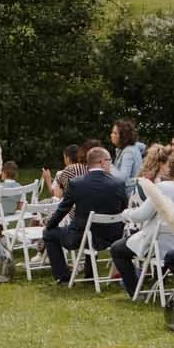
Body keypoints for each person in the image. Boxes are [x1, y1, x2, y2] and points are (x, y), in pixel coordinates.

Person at [42, 146, 134, 291]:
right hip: (113, 237)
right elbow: (125, 210)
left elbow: (63, 209)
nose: (111, 164)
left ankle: (63, 276)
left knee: (49, 234)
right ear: (102, 162)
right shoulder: (118, 184)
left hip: (82, 237)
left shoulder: (77, 184)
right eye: (110, 161)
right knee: (92, 229)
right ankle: (89, 274)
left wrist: (50, 225)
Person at [110, 120, 144, 192]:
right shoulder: (129, 148)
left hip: (130, 197)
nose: (111, 135)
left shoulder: (128, 152)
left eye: (115, 133)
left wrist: (109, 166)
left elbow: (123, 179)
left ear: (123, 136)